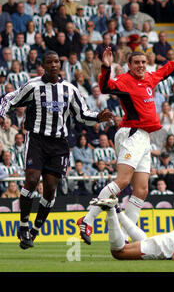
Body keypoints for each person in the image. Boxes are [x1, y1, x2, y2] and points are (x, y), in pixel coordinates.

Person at [0, 50, 112, 249]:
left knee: (50, 189)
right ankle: (23, 225)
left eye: (56, 62)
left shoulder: (69, 89)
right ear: (42, 65)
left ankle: (35, 229)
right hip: (36, 140)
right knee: (32, 180)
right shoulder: (33, 86)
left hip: (59, 144)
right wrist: (1, 114)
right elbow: (9, 98)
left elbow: (82, 114)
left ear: (60, 65)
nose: (54, 65)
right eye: (49, 62)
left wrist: (97, 117)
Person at [77, 48, 174, 245]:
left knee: (141, 189)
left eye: (143, 62)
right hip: (131, 133)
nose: (140, 65)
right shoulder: (124, 81)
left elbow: (161, 73)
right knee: (122, 181)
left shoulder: (148, 78)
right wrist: (106, 66)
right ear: (129, 65)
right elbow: (105, 87)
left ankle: (126, 236)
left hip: (144, 137)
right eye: (136, 62)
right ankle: (87, 220)